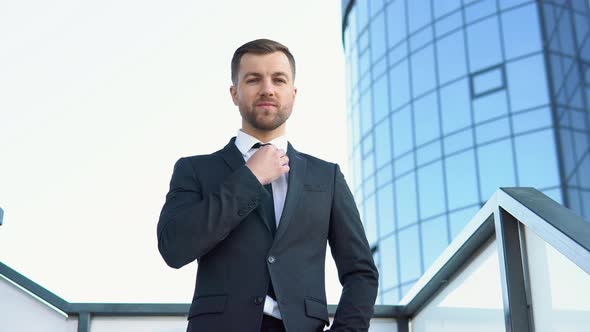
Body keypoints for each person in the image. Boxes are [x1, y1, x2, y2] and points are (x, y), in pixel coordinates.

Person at [157, 39, 378, 332]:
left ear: (293, 93)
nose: (267, 89)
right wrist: (249, 178)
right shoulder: (194, 169)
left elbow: (361, 273)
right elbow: (174, 248)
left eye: (279, 79)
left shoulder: (328, 177)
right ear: (234, 93)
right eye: (253, 79)